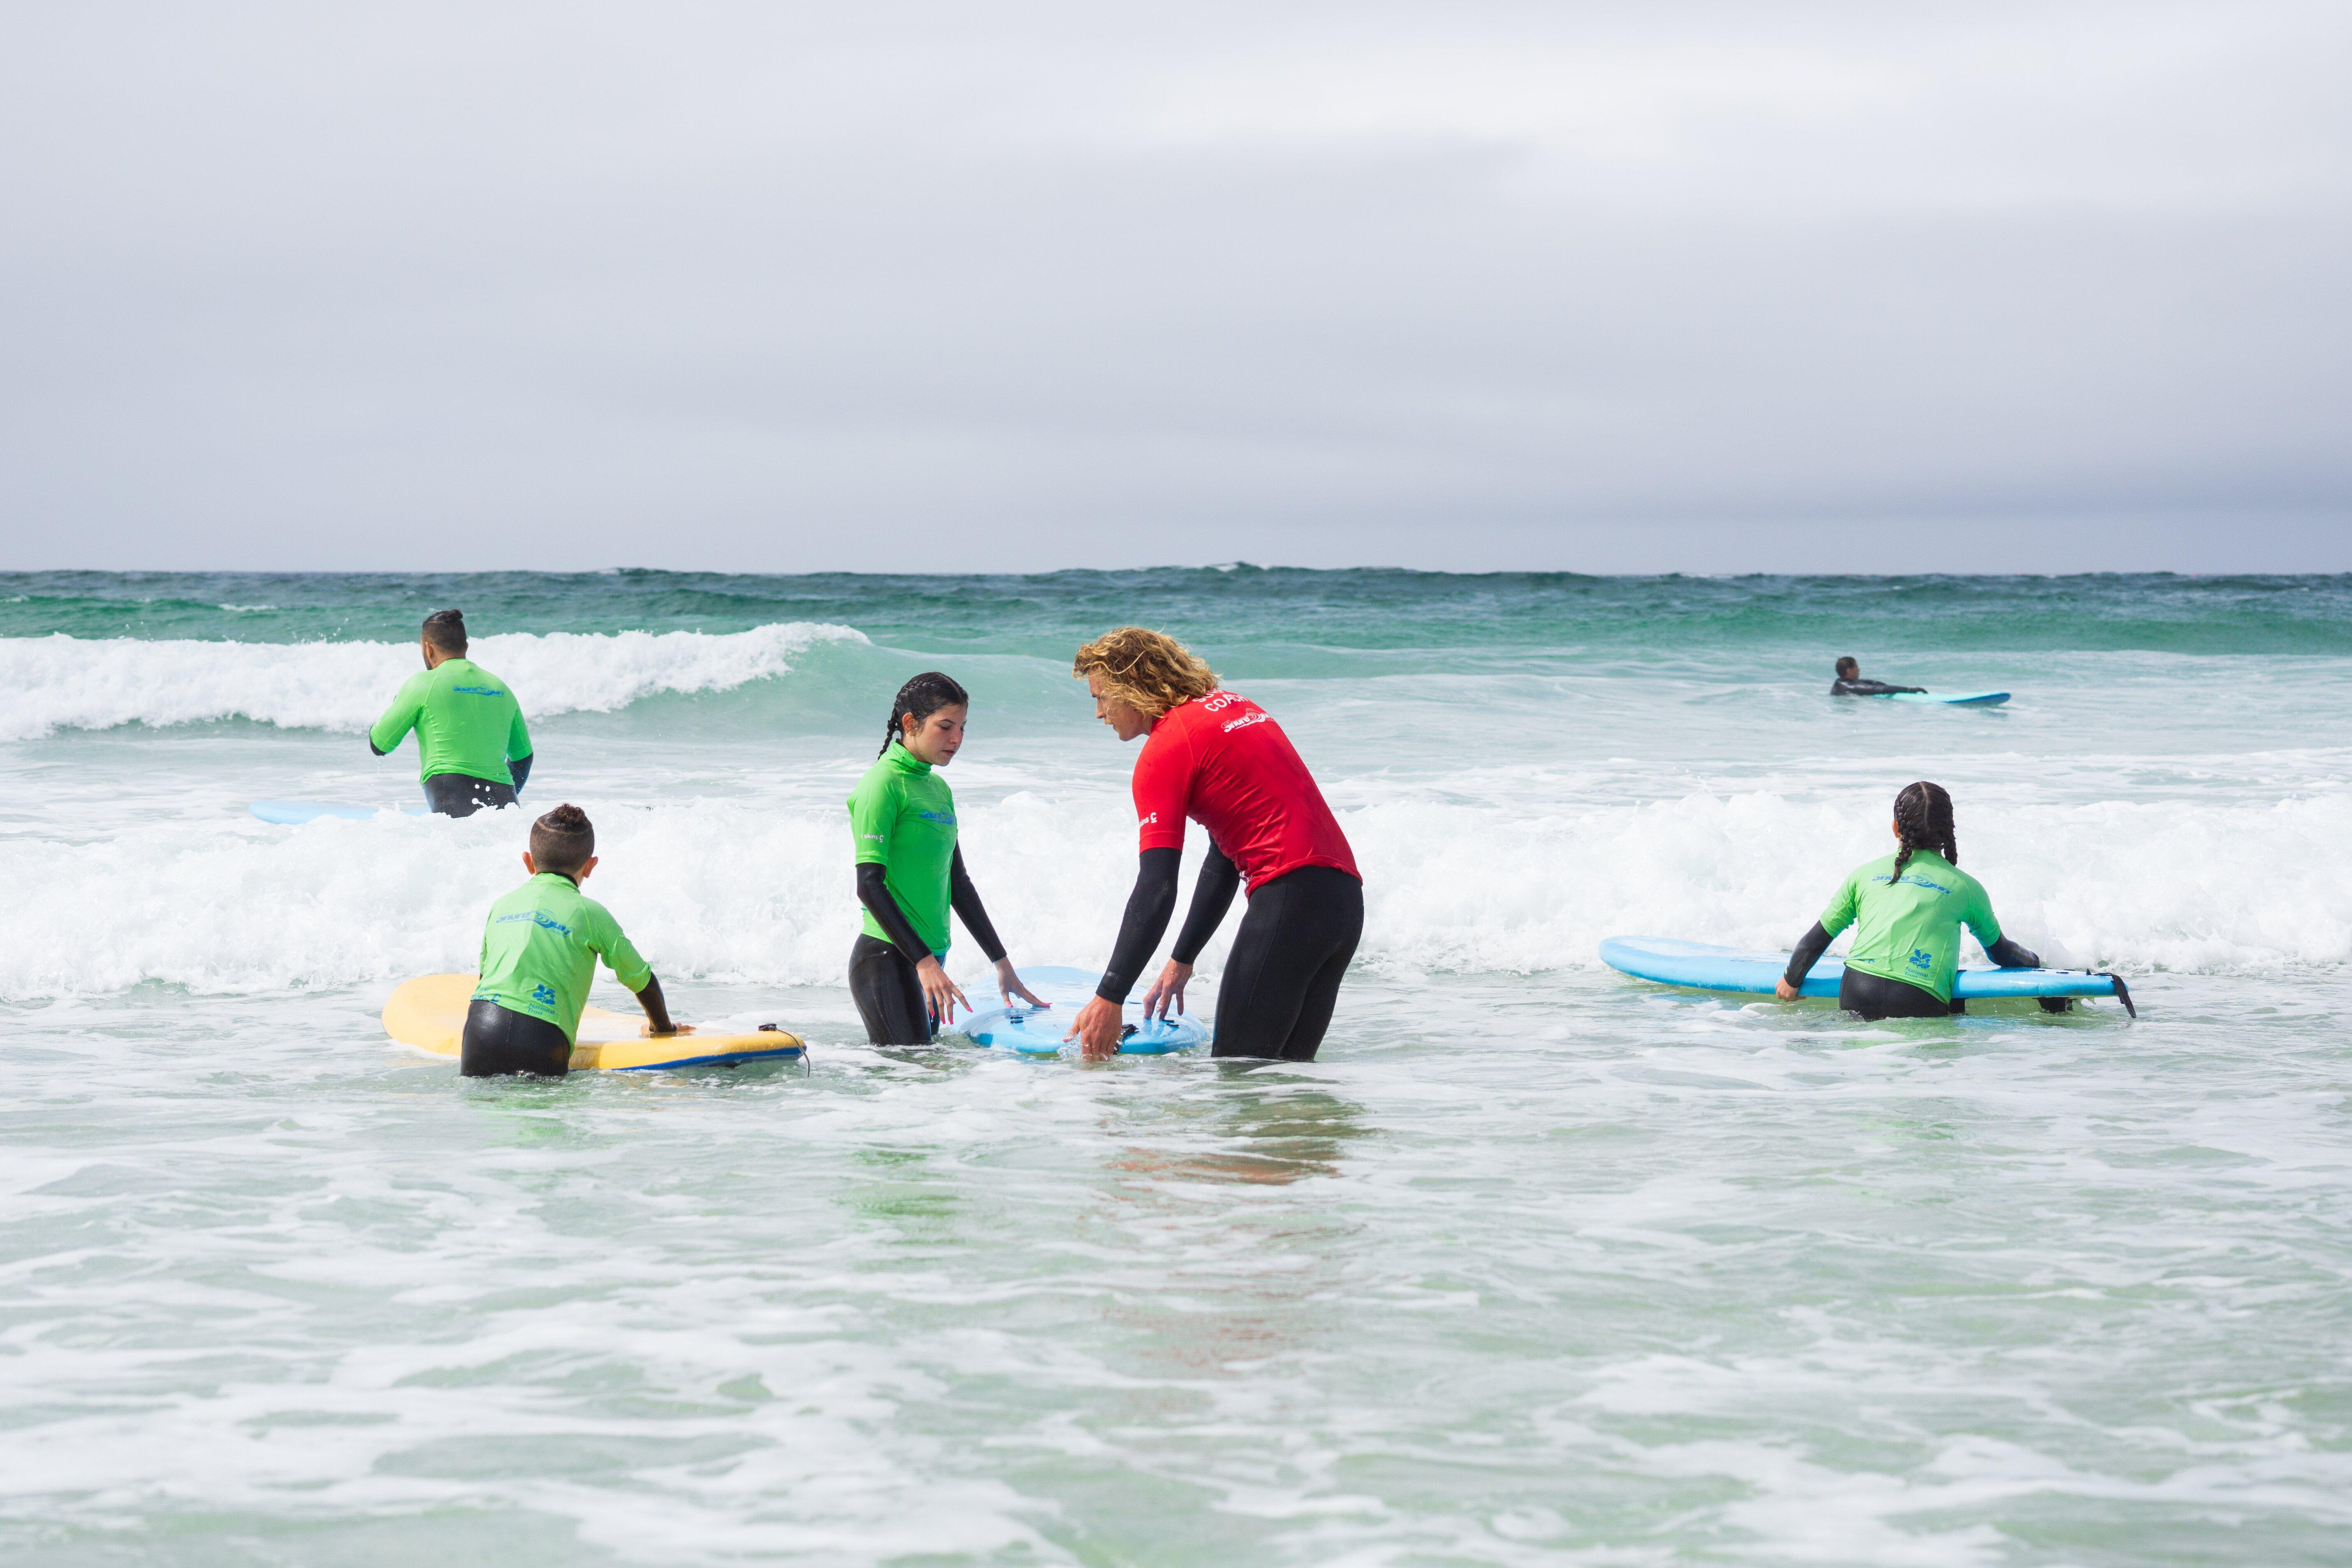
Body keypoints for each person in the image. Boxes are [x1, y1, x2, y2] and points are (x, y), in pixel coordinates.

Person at [1066, 627, 1362, 1063]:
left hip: (1289, 903)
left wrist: (1109, 997)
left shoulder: (1166, 748)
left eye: (1102, 697)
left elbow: (1156, 888)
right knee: (1287, 1082)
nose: (1099, 713)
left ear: (1130, 686)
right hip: (1343, 905)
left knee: (1238, 1075)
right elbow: (1222, 857)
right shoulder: (1235, 708)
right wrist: (1182, 959)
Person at [847, 672, 1045, 1045]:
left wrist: (1001, 964)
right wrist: (923, 963)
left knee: (925, 1073)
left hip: (930, 959)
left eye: (963, 727)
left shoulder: (938, 788)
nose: (957, 738)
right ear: (911, 723)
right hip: (887, 957)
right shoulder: (881, 784)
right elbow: (869, 885)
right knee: (911, 1071)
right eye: (946, 726)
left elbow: (959, 884)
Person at [1774, 781, 2042, 1020]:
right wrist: (2035, 960)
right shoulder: (1967, 888)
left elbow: (1815, 940)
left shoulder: (1864, 874)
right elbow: (2001, 953)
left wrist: (1791, 979)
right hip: (1918, 998)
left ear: (1895, 828)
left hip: (1857, 989)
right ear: (1948, 831)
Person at [462, 803, 688, 1076]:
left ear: (528, 861)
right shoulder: (591, 913)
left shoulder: (502, 905)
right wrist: (663, 1029)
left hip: (480, 1029)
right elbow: (642, 980)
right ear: (590, 866)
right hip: (541, 1037)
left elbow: (486, 976)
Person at [370, 609, 534, 817]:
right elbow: (523, 758)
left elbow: (380, 745)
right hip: (505, 801)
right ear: (466, 646)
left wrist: (397, 705)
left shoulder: (422, 685)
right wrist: (503, 801)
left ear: (428, 649)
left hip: (452, 798)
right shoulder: (501, 688)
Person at [1830, 655, 1926, 697]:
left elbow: (1870, 683)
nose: (1859, 670)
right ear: (1849, 671)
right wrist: (1910, 690)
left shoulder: (1839, 683)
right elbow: (1881, 690)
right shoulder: (1852, 687)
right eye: (1856, 667)